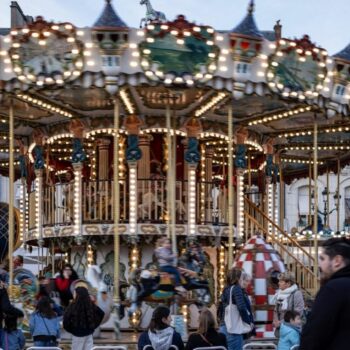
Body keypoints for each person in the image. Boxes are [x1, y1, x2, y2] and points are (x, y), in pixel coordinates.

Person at [300, 237, 350, 350]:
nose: (320, 265)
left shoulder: (333, 289)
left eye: (322, 259)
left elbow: (315, 334)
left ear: (337, 261)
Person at [217, 268, 254, 350]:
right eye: (241, 277)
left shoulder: (226, 289)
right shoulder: (236, 289)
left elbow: (220, 309)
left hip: (224, 327)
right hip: (233, 328)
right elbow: (241, 307)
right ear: (237, 278)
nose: (242, 279)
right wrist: (248, 322)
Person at [273, 272, 304, 337]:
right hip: (281, 330)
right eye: (279, 281)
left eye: (281, 281)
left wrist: (281, 322)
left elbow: (298, 312)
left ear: (288, 283)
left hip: (293, 330)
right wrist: (275, 321)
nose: (278, 283)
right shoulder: (279, 295)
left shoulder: (296, 294)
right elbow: (276, 311)